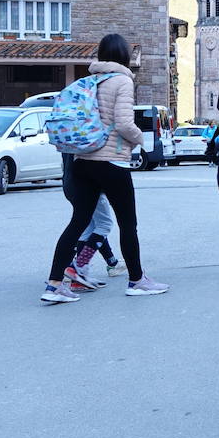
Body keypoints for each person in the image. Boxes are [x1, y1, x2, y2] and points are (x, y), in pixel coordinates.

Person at [41, 34, 169, 303]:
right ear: (125, 56)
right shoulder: (122, 81)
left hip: (82, 162)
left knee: (78, 223)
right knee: (127, 224)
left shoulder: (89, 80)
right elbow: (123, 123)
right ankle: (137, 280)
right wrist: (140, 139)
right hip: (111, 161)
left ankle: (54, 284)